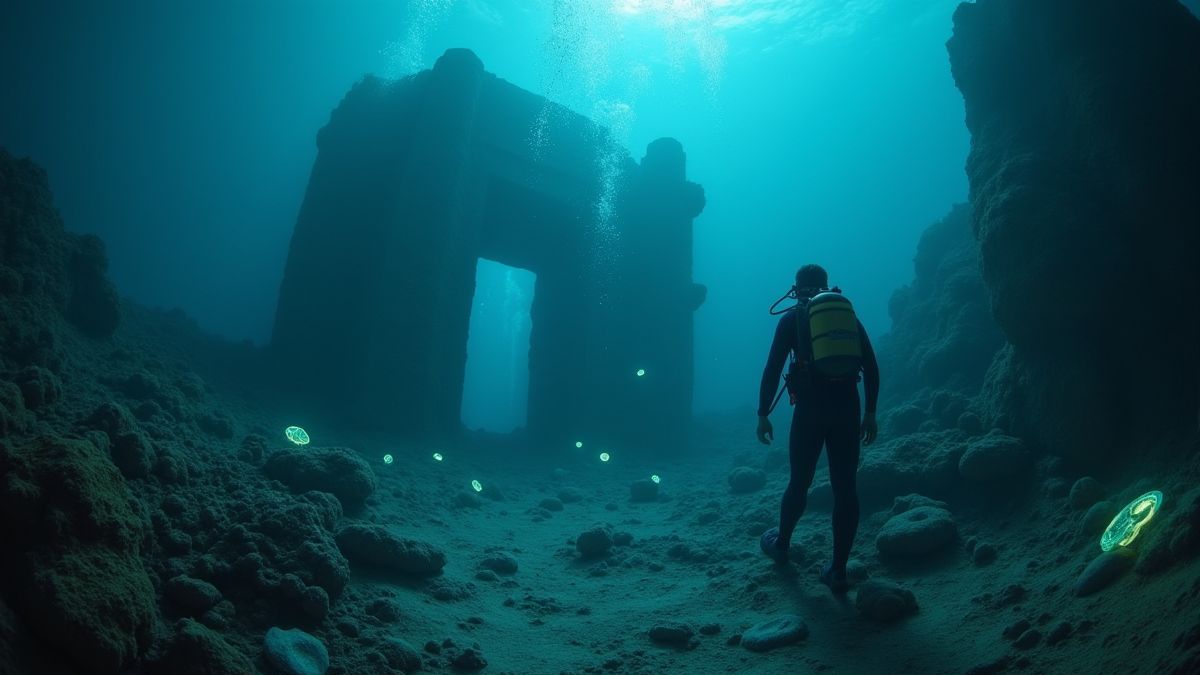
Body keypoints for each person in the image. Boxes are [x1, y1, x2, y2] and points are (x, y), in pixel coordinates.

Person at [755, 264, 879, 593]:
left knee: (800, 480)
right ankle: (838, 570)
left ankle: (781, 546)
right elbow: (872, 366)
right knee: (845, 487)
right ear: (827, 286)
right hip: (848, 409)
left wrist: (763, 413)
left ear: (795, 290)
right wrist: (870, 412)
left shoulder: (791, 320)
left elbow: (772, 370)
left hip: (810, 411)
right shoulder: (846, 318)